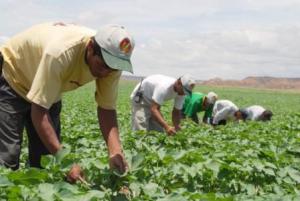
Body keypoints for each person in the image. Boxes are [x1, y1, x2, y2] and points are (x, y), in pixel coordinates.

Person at [0, 22, 134, 178]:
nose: (106, 73)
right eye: (102, 65)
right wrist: (65, 161)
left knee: (46, 161)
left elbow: (107, 108)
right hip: (15, 78)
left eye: (113, 68)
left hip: (50, 90)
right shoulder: (60, 53)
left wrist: (115, 151)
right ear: (90, 47)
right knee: (6, 160)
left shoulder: (112, 64)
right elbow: (39, 112)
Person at [130, 74, 195, 135]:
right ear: (178, 83)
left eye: (186, 92)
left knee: (158, 131)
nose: (184, 93)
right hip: (142, 99)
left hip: (154, 103)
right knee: (140, 129)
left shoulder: (182, 93)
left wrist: (177, 126)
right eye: (183, 90)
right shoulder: (164, 87)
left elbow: (176, 112)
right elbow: (154, 109)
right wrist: (167, 127)